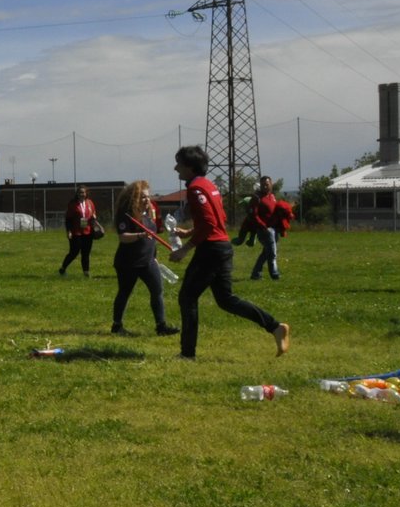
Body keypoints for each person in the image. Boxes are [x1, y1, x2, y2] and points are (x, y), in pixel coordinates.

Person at [168, 145, 290, 360]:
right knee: (226, 300)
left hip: (211, 250)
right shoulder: (209, 186)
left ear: (189, 167)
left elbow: (208, 224)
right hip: (222, 246)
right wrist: (189, 232)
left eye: (179, 163)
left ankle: (187, 354)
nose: (175, 168)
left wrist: (184, 250)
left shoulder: (195, 189)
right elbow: (218, 220)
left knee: (187, 297)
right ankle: (275, 327)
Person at [109, 179, 178, 337]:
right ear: (134, 197)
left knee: (157, 290)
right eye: (142, 197)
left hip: (148, 261)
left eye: (148, 196)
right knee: (125, 292)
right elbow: (123, 237)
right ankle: (117, 325)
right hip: (128, 262)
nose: (147, 200)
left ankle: (161, 326)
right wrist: (141, 234)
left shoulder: (150, 211)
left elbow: (152, 238)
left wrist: (154, 256)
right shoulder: (125, 213)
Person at [59, 185, 99, 277]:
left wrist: (94, 217)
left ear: (86, 193)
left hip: (88, 232)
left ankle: (86, 272)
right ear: (77, 193)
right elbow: (68, 219)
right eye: (80, 192)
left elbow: (94, 214)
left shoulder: (90, 203)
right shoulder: (72, 204)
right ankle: (63, 268)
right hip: (76, 232)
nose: (82, 194)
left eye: (83, 192)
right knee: (74, 252)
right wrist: (68, 231)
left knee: (86, 253)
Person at [250, 178, 283, 281]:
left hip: (274, 228)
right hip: (264, 229)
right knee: (272, 252)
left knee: (266, 252)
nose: (265, 186)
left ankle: (256, 273)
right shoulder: (257, 198)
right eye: (263, 184)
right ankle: (274, 274)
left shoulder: (272, 196)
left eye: (267, 184)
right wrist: (263, 226)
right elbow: (254, 215)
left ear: (271, 184)